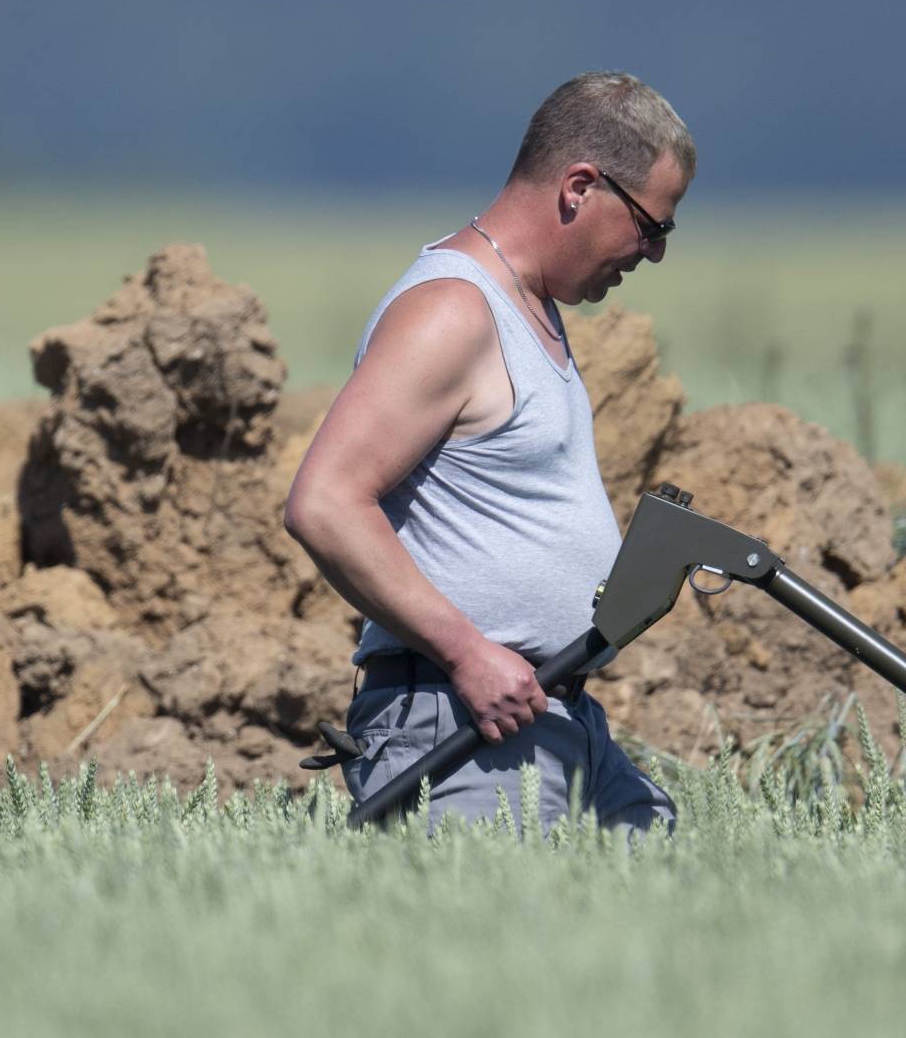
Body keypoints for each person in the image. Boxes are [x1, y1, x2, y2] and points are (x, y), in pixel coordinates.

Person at [283, 71, 695, 834]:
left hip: (552, 713)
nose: (655, 253)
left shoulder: (528, 306)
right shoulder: (453, 312)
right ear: (579, 187)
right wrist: (468, 653)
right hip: (464, 721)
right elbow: (325, 502)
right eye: (651, 225)